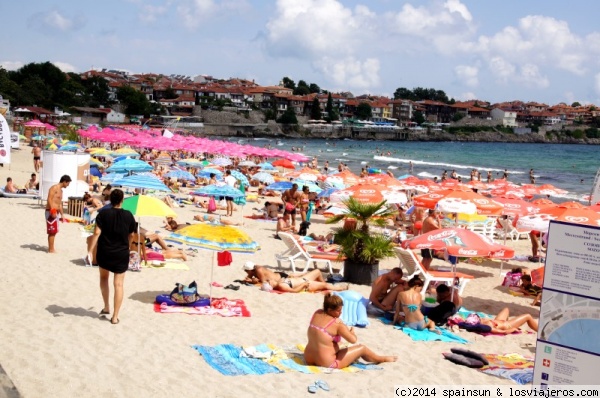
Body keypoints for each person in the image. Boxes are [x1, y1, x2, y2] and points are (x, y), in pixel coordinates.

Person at [304, 294, 397, 369]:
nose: (340, 313)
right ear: (329, 310)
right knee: (362, 348)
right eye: (338, 311)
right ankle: (382, 358)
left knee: (335, 342)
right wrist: (352, 332)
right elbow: (353, 340)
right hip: (327, 363)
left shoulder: (318, 312)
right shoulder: (337, 323)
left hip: (308, 358)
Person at [88, 189, 136, 325]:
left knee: (104, 278)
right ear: (122, 200)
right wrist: (128, 245)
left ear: (110, 199)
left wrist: (90, 251)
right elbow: (131, 234)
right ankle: (115, 316)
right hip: (121, 253)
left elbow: (97, 233)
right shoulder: (128, 215)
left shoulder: (103, 214)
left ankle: (106, 306)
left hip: (105, 251)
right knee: (119, 284)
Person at [45, 175, 71, 253]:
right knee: (52, 231)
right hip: (50, 211)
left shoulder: (61, 191)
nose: (68, 185)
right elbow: (49, 199)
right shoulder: (54, 188)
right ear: (64, 181)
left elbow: (59, 204)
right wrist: (52, 210)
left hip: (56, 212)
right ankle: (51, 249)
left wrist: (62, 215)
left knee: (55, 231)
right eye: (68, 183)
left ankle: (52, 248)